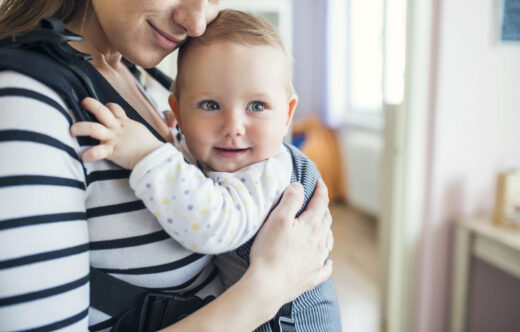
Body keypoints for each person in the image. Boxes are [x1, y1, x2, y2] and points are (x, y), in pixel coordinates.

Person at [0, 1, 335, 331]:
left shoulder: (136, 77)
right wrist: (266, 292)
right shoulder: (27, 103)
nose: (196, 21)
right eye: (209, 105)